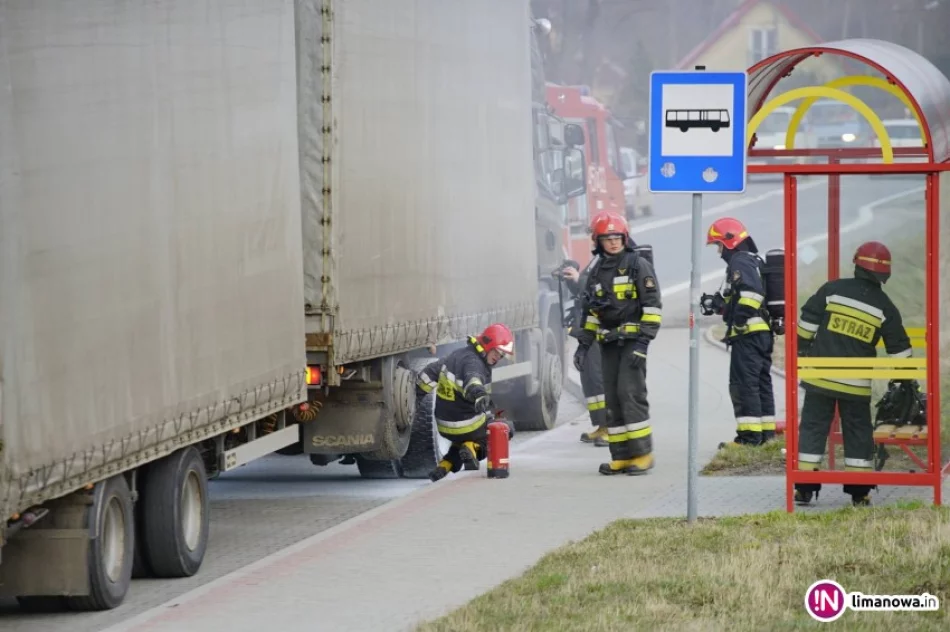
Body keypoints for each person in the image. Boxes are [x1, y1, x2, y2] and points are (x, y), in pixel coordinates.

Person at [794, 241, 912, 507]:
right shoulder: (884, 306)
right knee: (858, 432)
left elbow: (805, 325)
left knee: (813, 427)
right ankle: (860, 493)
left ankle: (803, 488)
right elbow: (900, 350)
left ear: (857, 264)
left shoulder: (832, 290)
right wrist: (904, 381)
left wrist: (805, 349)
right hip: (856, 386)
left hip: (820, 379)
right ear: (884, 274)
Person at [573, 212, 662, 476]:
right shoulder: (597, 270)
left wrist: (643, 343)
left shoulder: (638, 265)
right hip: (608, 344)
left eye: (616, 237)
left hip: (632, 343)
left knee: (630, 395)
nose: (612, 242)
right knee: (612, 399)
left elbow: (653, 307)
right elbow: (590, 312)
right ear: (598, 241)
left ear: (625, 238)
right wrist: (583, 345)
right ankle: (621, 456)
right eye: (607, 238)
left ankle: (643, 454)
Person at [704, 217, 776, 447]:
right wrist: (715, 304)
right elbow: (735, 296)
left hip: (749, 334)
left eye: (718, 245)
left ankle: (749, 439)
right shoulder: (753, 261)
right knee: (760, 383)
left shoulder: (740, 262)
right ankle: (765, 435)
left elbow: (751, 294)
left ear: (729, 241)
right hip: (762, 334)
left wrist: (740, 318)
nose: (718, 251)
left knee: (744, 384)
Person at [416, 323, 515, 482]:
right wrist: (480, 395)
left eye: (502, 355)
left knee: (462, 442)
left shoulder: (454, 355)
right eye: (497, 351)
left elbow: (428, 375)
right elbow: (473, 379)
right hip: (467, 424)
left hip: (444, 426)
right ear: (488, 344)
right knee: (504, 428)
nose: (498, 357)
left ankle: (445, 465)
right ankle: (473, 448)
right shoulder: (475, 363)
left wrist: (414, 398)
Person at [557, 211, 611, 447]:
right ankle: (600, 425)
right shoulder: (598, 259)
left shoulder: (611, 261)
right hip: (588, 332)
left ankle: (610, 427)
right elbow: (585, 292)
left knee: (600, 380)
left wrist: (579, 279)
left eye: (594, 235)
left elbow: (599, 293)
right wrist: (572, 280)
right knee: (590, 380)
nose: (591, 239)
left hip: (601, 332)